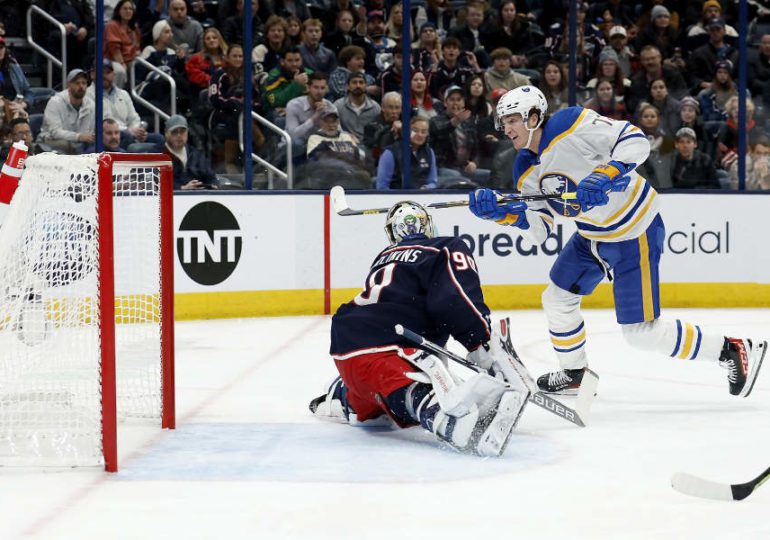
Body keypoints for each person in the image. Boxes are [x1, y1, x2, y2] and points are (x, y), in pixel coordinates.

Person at [467, 85, 766, 397]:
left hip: (633, 232)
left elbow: (635, 140)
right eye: (503, 122)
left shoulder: (569, 124)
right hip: (591, 236)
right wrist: (502, 215)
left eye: (512, 119)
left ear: (533, 116)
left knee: (641, 334)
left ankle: (730, 349)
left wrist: (605, 174)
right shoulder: (525, 167)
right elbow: (542, 227)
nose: (506, 128)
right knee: (556, 299)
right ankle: (575, 374)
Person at [310, 200, 530, 456]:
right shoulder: (444, 247)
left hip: (347, 348)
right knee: (414, 390)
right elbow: (455, 300)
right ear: (428, 224)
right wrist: (481, 345)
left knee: (377, 399)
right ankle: (444, 417)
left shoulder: (383, 258)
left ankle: (341, 395)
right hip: (388, 347)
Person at [37, 69, 94, 154]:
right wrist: (79, 137)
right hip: (51, 140)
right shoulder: (55, 102)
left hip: (78, 142)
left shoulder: (91, 104)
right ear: (69, 85)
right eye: (77, 83)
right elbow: (55, 132)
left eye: (84, 83)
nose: (81, 86)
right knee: (66, 145)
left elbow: (90, 130)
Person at [375, 117, 437, 189]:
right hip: (396, 196)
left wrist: (425, 188)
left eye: (423, 132)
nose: (420, 134)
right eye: (415, 130)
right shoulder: (390, 153)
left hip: (422, 196)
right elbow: (382, 186)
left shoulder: (429, 152)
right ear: (406, 131)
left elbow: (432, 182)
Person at [161, 114, 217, 190]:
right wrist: (181, 188)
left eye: (182, 131)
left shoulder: (196, 154)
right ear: (166, 133)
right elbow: (152, 183)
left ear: (187, 132)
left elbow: (211, 176)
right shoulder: (157, 155)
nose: (179, 135)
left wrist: (213, 185)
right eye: (174, 132)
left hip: (199, 197)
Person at [104, 0, 142, 88]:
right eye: (125, 8)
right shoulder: (112, 25)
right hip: (112, 60)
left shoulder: (134, 29)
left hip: (131, 60)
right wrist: (122, 63)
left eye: (130, 9)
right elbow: (114, 49)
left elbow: (137, 48)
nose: (128, 11)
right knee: (120, 70)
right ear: (118, 11)